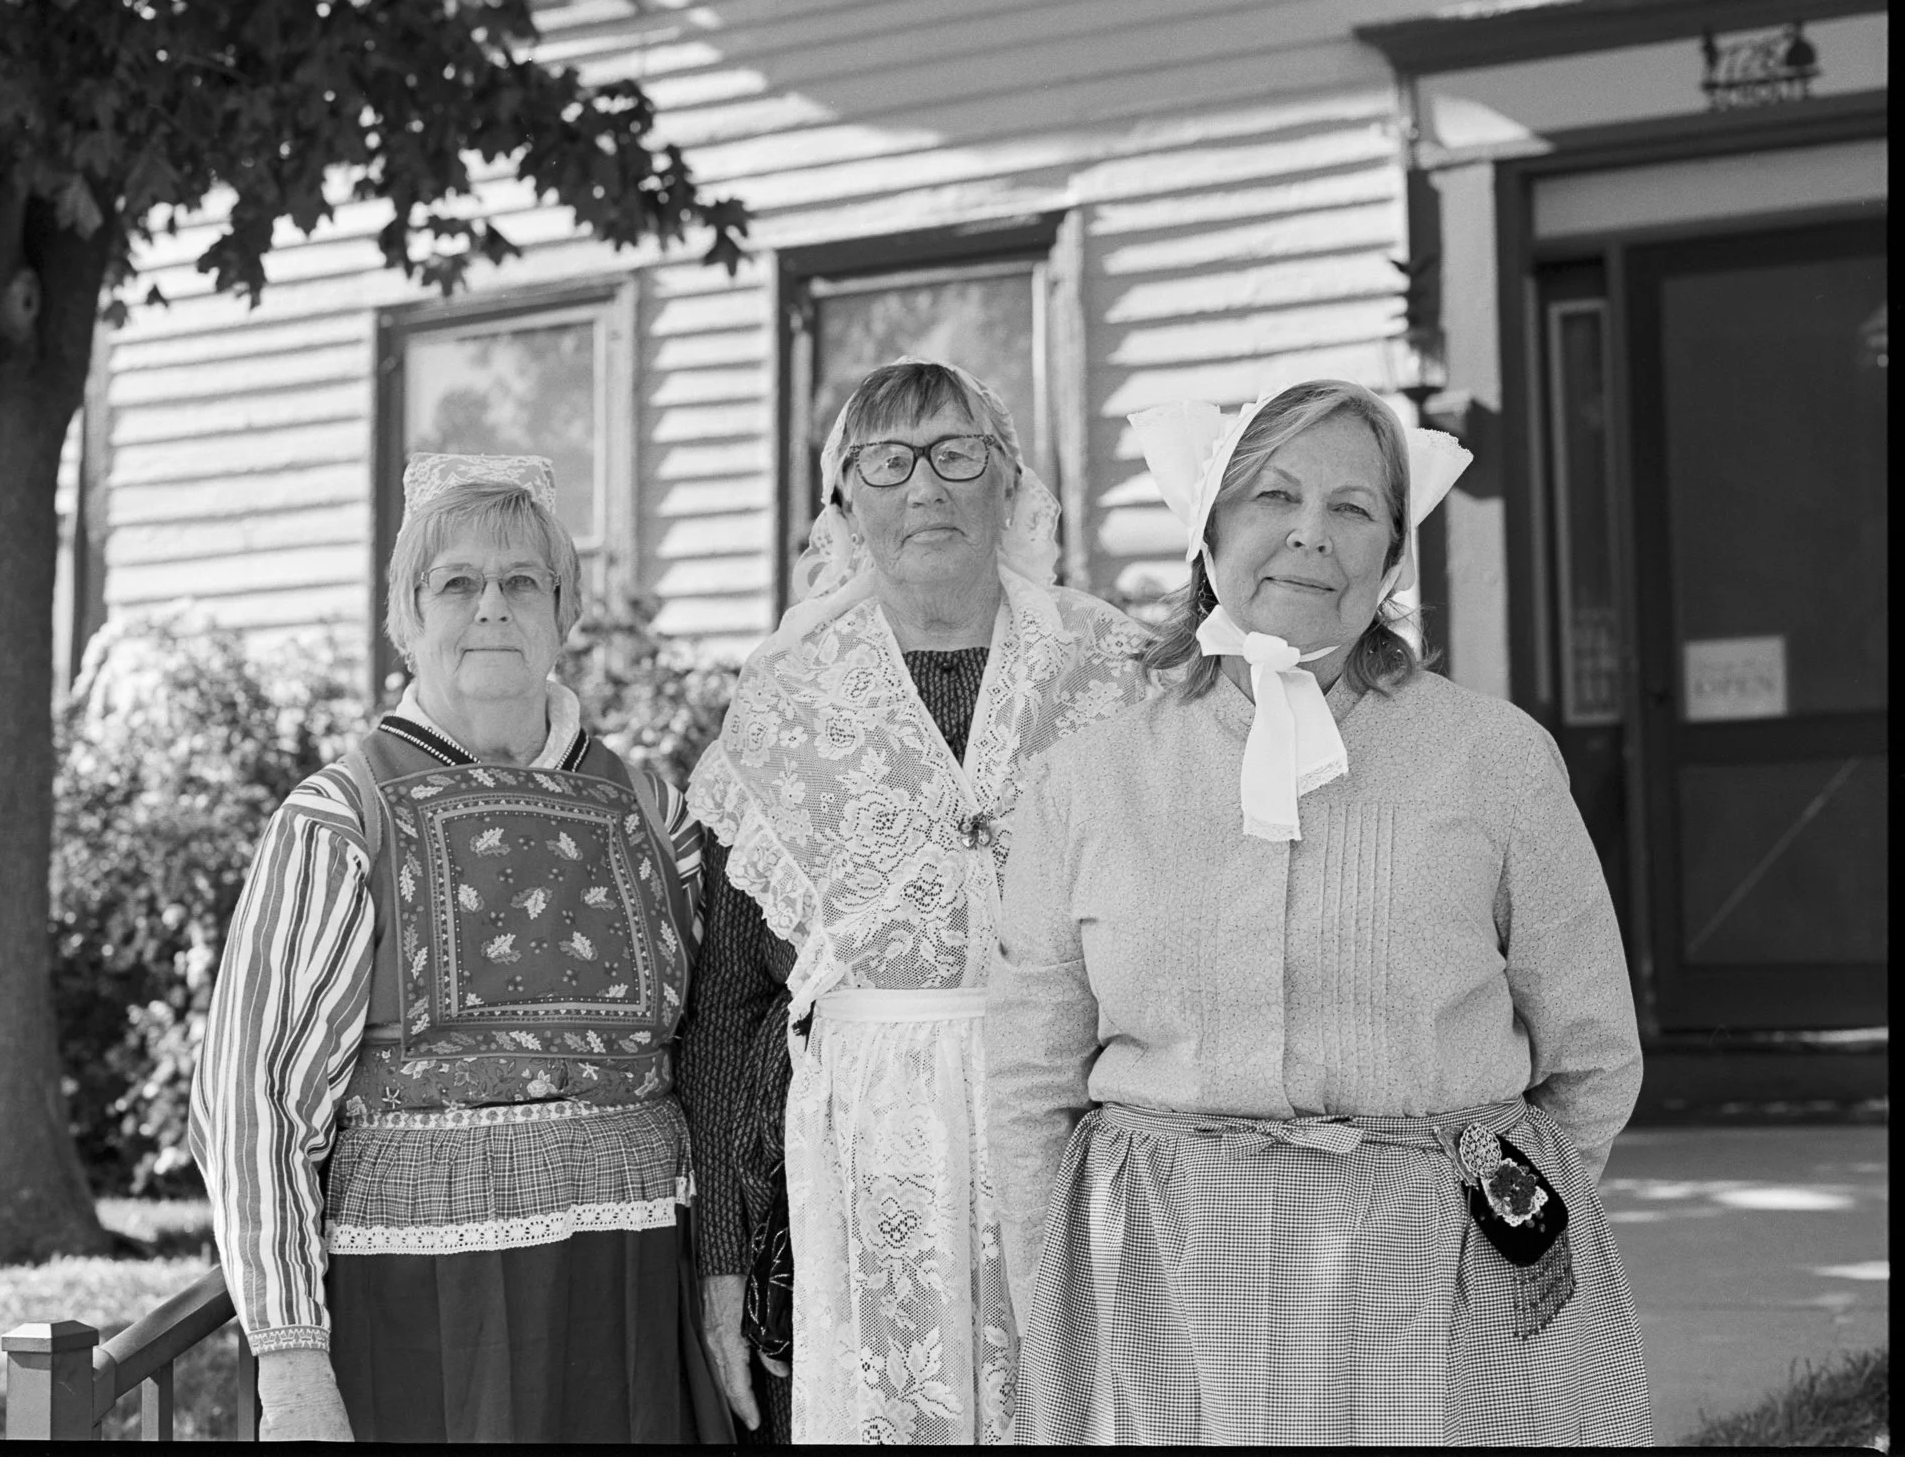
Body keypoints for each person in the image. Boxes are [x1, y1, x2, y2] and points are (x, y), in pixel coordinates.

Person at [986, 378, 1654, 1445]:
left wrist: (1481, 1207)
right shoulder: (1086, 780)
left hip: (1438, 1280)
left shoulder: (1493, 759)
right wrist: (1049, 1281)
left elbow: (1589, 1054)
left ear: (1392, 552)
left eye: (1352, 507)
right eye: (1271, 495)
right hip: (1163, 1282)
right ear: (1209, 530)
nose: (1309, 533)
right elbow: (1029, 1078)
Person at [191, 454, 731, 1443]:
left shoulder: (657, 811)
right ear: (408, 618)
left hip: (633, 1299)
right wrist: (290, 1358)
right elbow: (250, 1102)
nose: (492, 606)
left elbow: (712, 1054)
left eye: (521, 580)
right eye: (457, 583)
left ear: (562, 611)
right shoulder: (337, 818)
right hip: (420, 1313)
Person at [679, 361, 1156, 1445]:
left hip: (1077, 1141)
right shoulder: (783, 702)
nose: (924, 487)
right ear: (845, 499)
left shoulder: (1114, 675)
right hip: (860, 1173)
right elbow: (726, 1003)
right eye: (886, 461)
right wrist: (720, 1258)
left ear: (1008, 479)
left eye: (955, 452)